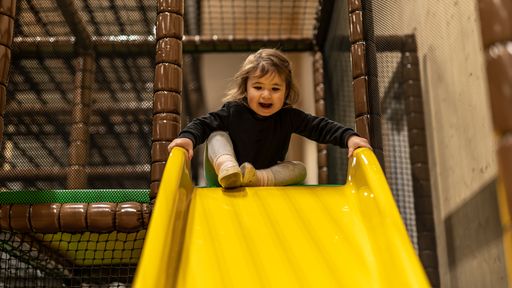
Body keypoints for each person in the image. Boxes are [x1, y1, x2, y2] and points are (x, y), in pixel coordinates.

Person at [168, 48, 371, 189]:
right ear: (245, 89)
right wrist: (188, 138)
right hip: (221, 175)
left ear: (286, 92)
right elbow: (203, 123)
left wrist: (349, 137)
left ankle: (257, 179)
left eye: (275, 89)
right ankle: (228, 167)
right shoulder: (233, 111)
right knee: (216, 134)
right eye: (258, 87)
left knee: (299, 169)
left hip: (263, 175)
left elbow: (320, 127)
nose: (266, 95)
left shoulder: (288, 117)